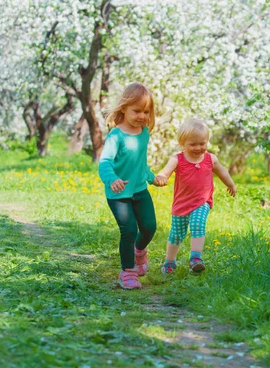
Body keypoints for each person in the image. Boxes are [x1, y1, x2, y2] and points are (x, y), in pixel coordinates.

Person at [98, 82, 165, 290]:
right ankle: (127, 272)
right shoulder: (116, 136)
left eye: (146, 112)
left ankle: (139, 252)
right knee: (128, 230)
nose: (142, 116)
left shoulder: (144, 133)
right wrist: (113, 179)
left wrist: (152, 177)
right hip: (118, 193)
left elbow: (140, 163)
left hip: (139, 190)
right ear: (124, 108)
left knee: (149, 227)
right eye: (137, 111)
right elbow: (105, 163)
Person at [155, 118, 237, 274]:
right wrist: (161, 177)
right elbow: (165, 171)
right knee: (176, 234)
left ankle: (195, 258)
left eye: (202, 143)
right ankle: (169, 262)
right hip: (181, 204)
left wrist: (231, 184)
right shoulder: (177, 159)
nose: (198, 148)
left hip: (202, 202)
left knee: (198, 224)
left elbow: (222, 171)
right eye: (193, 144)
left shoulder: (210, 159)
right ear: (182, 144)